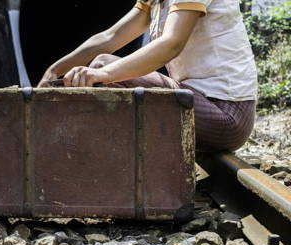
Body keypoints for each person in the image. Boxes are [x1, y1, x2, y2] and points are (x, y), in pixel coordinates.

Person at [37, 0, 258, 152]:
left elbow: (172, 43)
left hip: (226, 113)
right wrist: (54, 70)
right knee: (102, 68)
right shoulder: (156, 2)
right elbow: (110, 37)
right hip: (198, 103)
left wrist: (102, 74)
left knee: (103, 68)